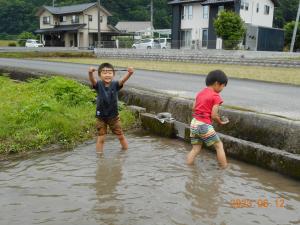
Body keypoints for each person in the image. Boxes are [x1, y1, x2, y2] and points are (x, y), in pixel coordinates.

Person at [88, 63, 134, 154]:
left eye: (109, 73)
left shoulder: (116, 84)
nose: (107, 75)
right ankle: (99, 157)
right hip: (101, 117)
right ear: (100, 75)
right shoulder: (98, 84)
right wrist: (90, 73)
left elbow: (123, 80)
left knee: (120, 136)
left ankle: (126, 153)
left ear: (113, 74)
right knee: (101, 138)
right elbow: (92, 80)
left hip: (114, 117)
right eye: (104, 73)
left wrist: (130, 73)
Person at [186, 70, 229, 168]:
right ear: (217, 83)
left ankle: (188, 166)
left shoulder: (200, 93)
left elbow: (193, 107)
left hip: (194, 123)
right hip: (203, 124)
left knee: (195, 149)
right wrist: (220, 121)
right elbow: (214, 115)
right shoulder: (216, 97)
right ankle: (224, 167)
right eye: (223, 86)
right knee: (219, 146)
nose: (222, 88)